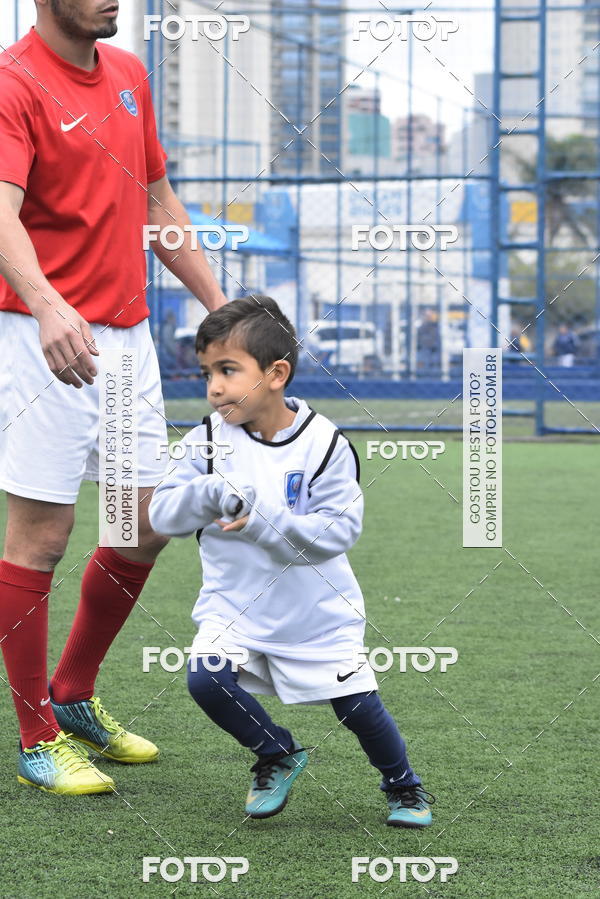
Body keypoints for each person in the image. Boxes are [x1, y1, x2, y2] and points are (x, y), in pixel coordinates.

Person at [0, 0, 227, 795]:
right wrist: (47, 303)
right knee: (42, 537)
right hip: (38, 337)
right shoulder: (13, 80)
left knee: (141, 525)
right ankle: (34, 737)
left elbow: (159, 204)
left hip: (127, 340)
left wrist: (219, 305)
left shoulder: (129, 76)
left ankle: (72, 694)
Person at [148, 296, 434, 828]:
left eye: (228, 371)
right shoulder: (206, 440)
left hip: (316, 611)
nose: (213, 386)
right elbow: (163, 514)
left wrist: (261, 519)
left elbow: (338, 532)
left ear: (276, 373)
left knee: (357, 707)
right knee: (206, 680)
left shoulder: (324, 444)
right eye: (207, 372)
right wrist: (209, 493)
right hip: (233, 606)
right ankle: (276, 752)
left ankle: (405, 786)